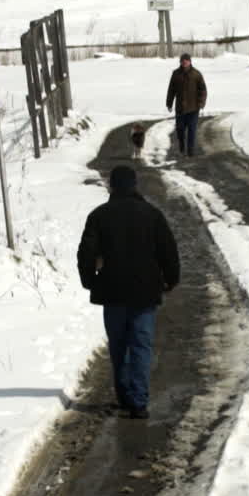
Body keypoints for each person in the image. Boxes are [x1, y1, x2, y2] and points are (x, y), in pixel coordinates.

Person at [77, 165, 180, 419]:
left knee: (119, 345)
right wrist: (171, 278)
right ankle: (139, 401)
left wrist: (89, 280)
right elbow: (168, 250)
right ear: (135, 185)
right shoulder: (152, 214)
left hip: (112, 292)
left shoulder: (99, 216)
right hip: (145, 292)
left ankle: (124, 396)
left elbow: (86, 253)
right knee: (141, 344)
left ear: (112, 186)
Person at [165, 53, 208, 157]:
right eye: (183, 60)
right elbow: (171, 90)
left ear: (190, 61)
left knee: (192, 130)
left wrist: (201, 103)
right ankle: (182, 145)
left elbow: (203, 90)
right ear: (180, 62)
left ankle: (190, 151)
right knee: (180, 130)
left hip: (193, 108)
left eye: (186, 60)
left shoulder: (196, 74)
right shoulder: (176, 74)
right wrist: (169, 103)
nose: (184, 62)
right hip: (180, 108)